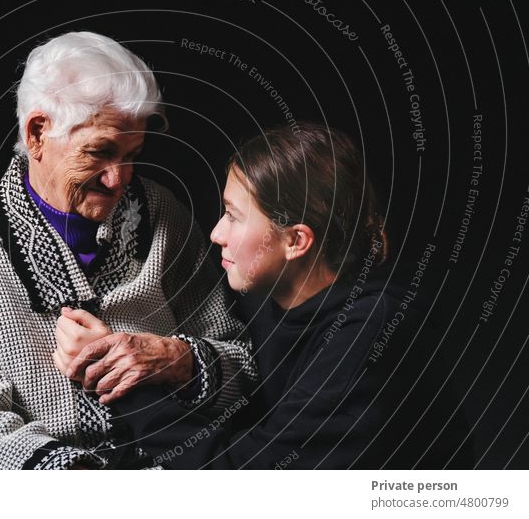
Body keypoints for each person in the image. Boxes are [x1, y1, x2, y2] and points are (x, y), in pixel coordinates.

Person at [0, 31, 258, 470]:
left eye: (132, 153)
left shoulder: (163, 213)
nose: (119, 179)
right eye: (99, 152)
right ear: (38, 133)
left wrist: (175, 361)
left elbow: (240, 364)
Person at [57, 122, 474, 468]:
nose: (216, 234)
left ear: (295, 241)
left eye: (235, 217)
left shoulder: (369, 332)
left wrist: (120, 377)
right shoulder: (265, 301)